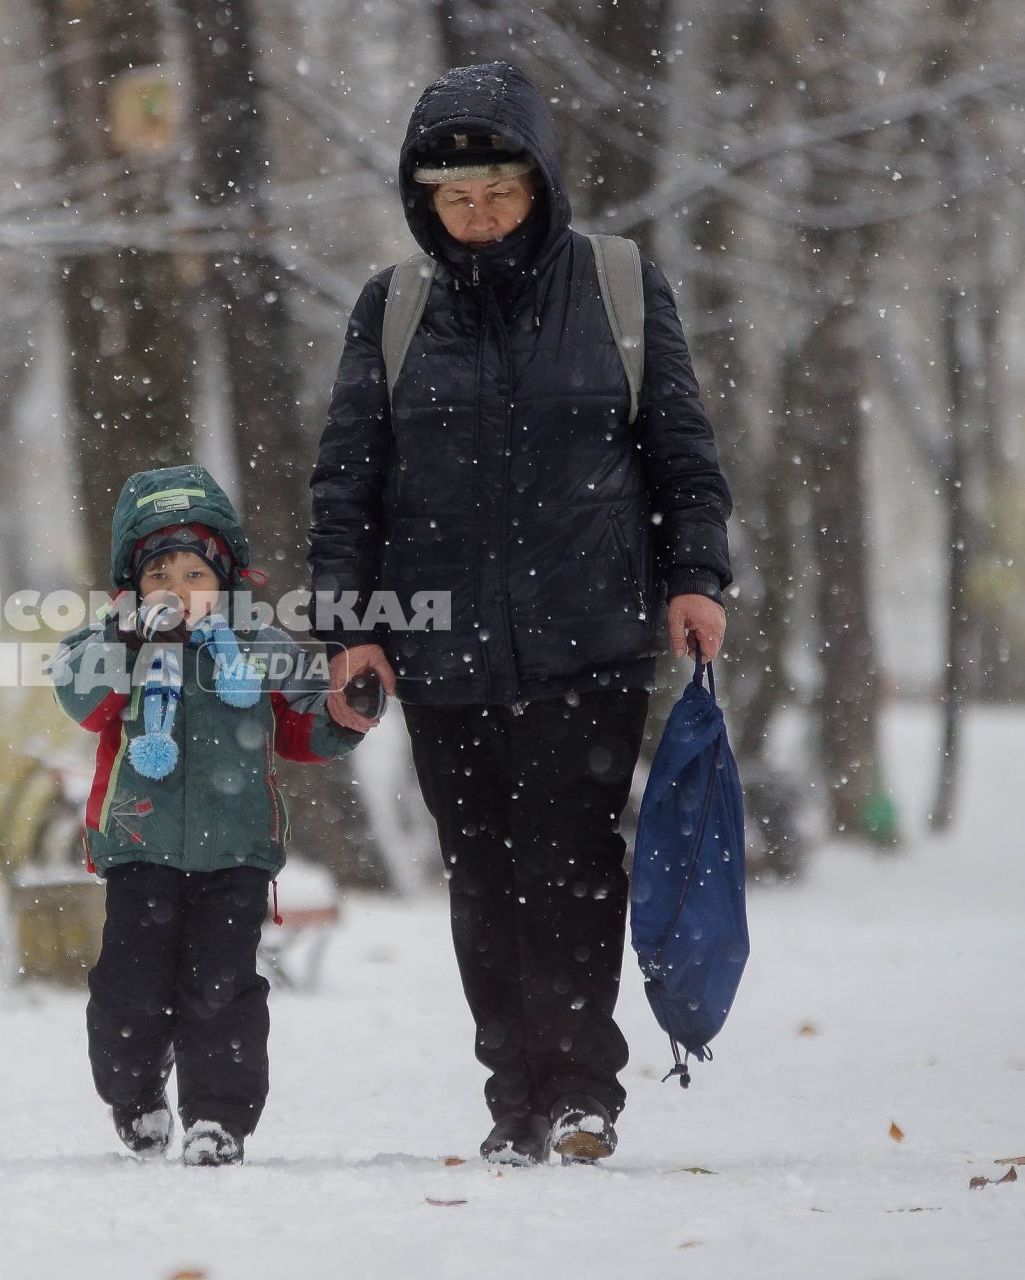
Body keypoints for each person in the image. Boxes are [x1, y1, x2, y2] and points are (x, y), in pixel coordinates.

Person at [307, 63, 733, 1165]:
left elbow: (679, 451)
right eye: (454, 199)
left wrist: (695, 576)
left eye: (497, 189)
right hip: (439, 645)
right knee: (482, 873)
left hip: (588, 637)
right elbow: (346, 480)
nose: (479, 215)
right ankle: (514, 1092)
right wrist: (348, 625)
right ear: (424, 203)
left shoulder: (620, 290)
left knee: (575, 861)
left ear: (539, 182)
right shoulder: (393, 309)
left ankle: (582, 1087)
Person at [49, 463, 367, 1166]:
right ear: (134, 587)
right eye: (160, 575)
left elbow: (301, 723)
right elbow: (78, 698)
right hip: (138, 845)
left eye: (195, 575)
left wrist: (343, 717)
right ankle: (134, 1097)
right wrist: (127, 642)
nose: (178, 591)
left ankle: (219, 1116)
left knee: (222, 992)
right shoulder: (115, 645)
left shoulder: (256, 647)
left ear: (226, 580)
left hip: (236, 851)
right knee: (129, 990)